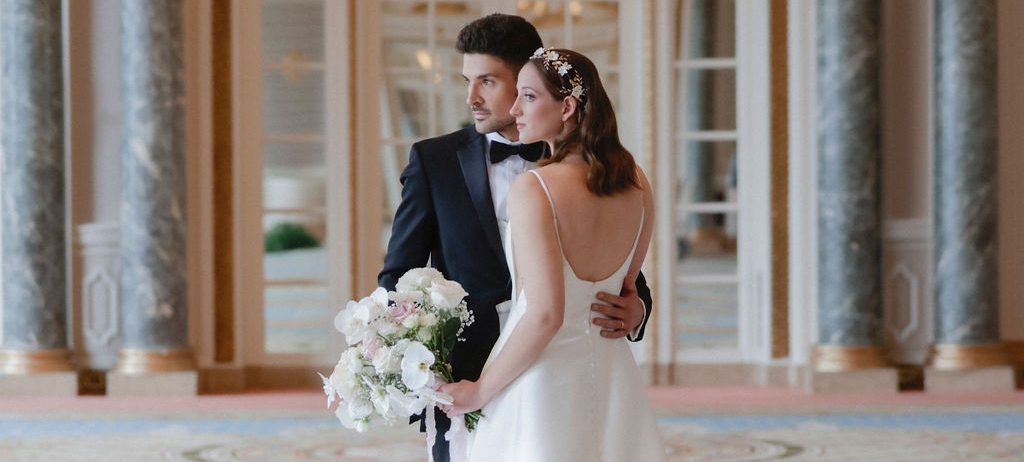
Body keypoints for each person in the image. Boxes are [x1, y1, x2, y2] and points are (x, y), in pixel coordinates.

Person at [377, 14, 654, 462]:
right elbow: (399, 275)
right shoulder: (434, 161)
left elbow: (620, 277)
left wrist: (637, 309)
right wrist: (411, 362)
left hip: (550, 374)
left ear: (529, 77)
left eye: (487, 81)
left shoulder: (593, 177)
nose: (471, 97)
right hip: (465, 375)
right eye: (467, 81)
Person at [440, 48, 666, 461]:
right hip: (614, 378)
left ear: (566, 107)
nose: (515, 109)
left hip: (541, 383)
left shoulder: (535, 187)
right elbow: (627, 290)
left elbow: (546, 314)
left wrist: (479, 391)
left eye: (528, 97)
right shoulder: (637, 181)